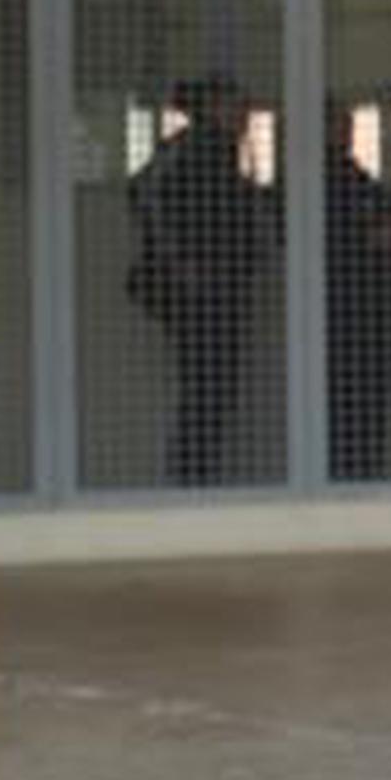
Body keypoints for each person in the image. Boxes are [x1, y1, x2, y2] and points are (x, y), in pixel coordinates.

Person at [127, 73, 269, 487]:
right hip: (199, 290)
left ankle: (198, 480)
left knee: (215, 386)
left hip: (226, 286)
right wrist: (178, 261)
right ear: (212, 107)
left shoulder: (230, 152)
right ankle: (190, 483)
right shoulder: (190, 145)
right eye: (236, 105)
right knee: (206, 385)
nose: (244, 114)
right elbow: (142, 190)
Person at [325, 106, 391, 481]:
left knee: (366, 406)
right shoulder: (319, 176)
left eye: (350, 128)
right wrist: (368, 239)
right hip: (342, 313)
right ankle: (342, 482)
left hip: (370, 312)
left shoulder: (352, 173)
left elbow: (388, 212)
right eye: (341, 127)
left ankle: (361, 480)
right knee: (346, 406)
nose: (348, 135)